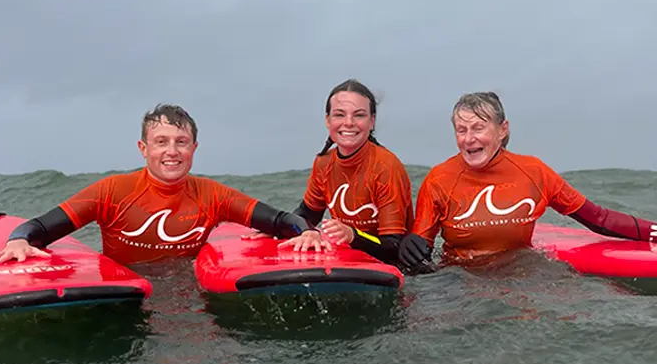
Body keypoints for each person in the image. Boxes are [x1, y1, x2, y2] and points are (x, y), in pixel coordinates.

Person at [0, 104, 331, 266]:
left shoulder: (214, 195)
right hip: (127, 294)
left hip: (187, 297)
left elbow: (280, 220)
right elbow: (40, 227)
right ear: (143, 149)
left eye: (181, 142)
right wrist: (19, 241)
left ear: (194, 149)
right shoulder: (111, 192)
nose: (172, 152)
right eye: (161, 142)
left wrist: (307, 231)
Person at [398, 91, 657, 270]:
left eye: (478, 128)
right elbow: (421, 247)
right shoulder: (440, 179)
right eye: (461, 130)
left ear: (503, 130)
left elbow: (597, 218)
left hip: (520, 275)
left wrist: (654, 232)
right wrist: (410, 248)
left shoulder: (533, 171)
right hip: (461, 280)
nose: (468, 138)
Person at [266, 79, 415, 267]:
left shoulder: (386, 167)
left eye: (359, 115)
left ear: (372, 121)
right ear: (328, 120)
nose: (349, 123)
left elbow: (395, 246)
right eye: (339, 115)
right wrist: (278, 228)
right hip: (349, 260)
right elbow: (307, 215)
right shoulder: (324, 162)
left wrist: (353, 235)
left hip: (396, 268)